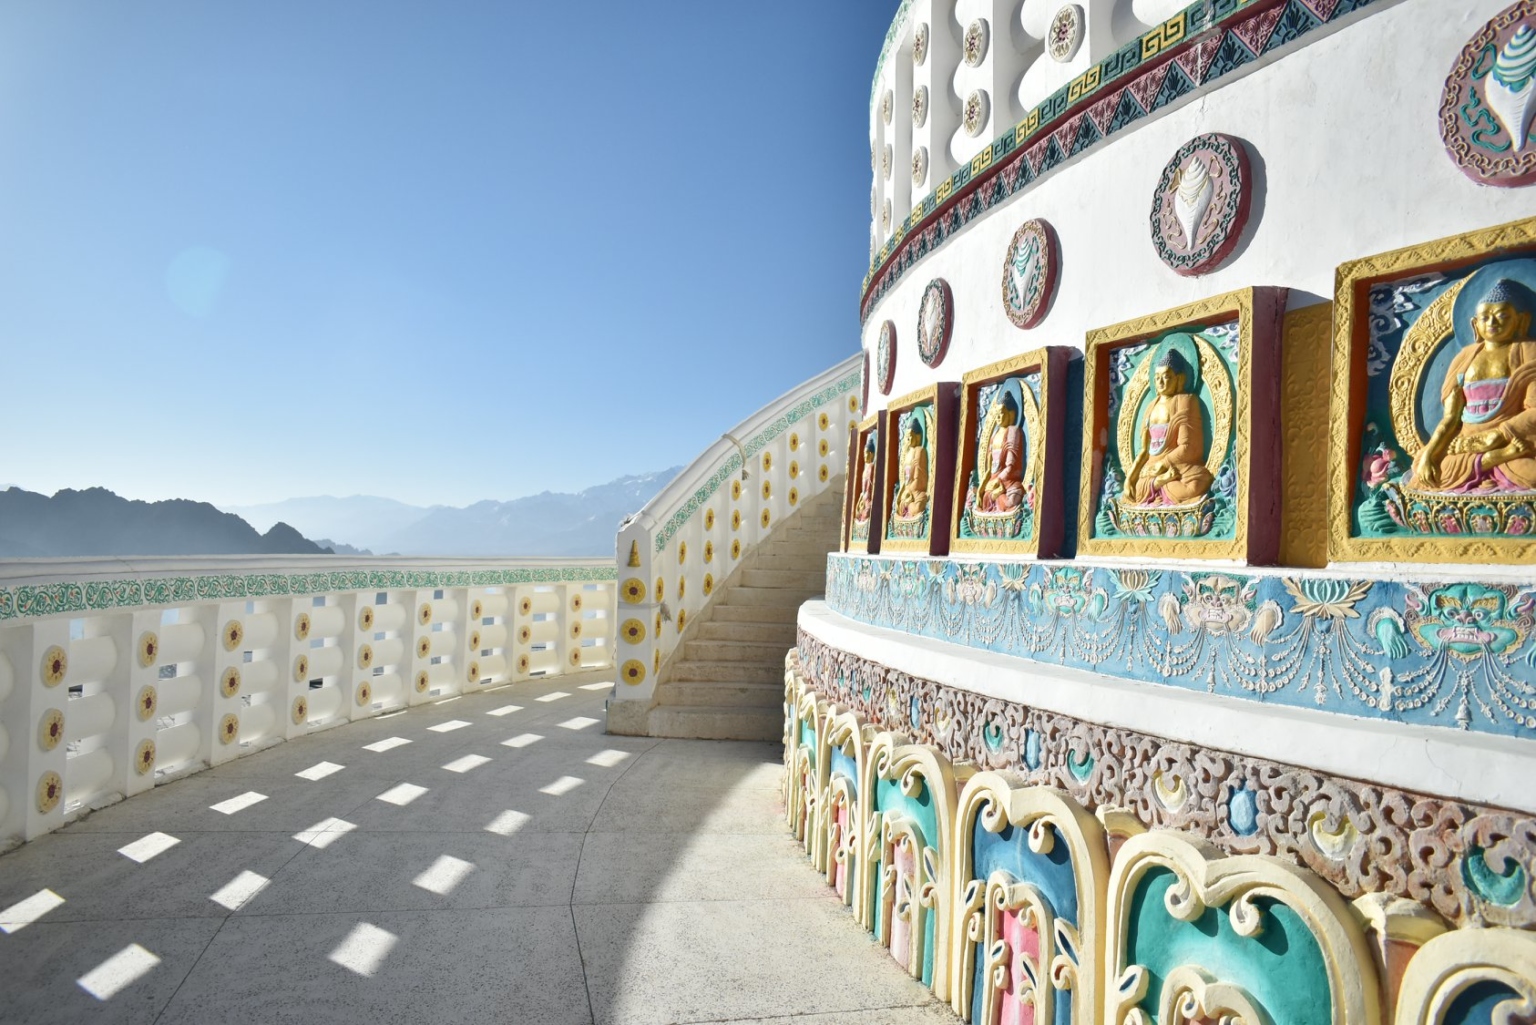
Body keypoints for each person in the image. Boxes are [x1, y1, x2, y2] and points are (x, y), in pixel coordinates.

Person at [1411, 278, 1536, 492]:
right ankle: (1492, 459)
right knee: (1422, 468)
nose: (1492, 322)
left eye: (1502, 315)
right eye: (1485, 317)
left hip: (1512, 440)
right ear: (1474, 324)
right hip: (1468, 443)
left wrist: (1500, 434)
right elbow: (1450, 419)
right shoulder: (1464, 358)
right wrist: (1429, 454)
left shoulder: (1529, 350)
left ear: (1522, 320)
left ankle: (1497, 458)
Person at [1125, 347, 1214, 506]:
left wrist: (1164, 464)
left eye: (1166, 376)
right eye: (1157, 377)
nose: (1160, 382)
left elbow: (1188, 447)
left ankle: (1160, 485)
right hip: (1152, 471)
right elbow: (1144, 451)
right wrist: (1129, 479)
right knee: (1135, 492)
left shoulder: (1186, 400)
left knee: (1196, 485)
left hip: (1180, 468)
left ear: (1180, 379)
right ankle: (1159, 483)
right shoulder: (1150, 407)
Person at [975, 391, 1024, 512]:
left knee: (1013, 499)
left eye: (1001, 413)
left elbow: (1011, 467)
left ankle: (998, 498)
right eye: (996, 414)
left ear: (1011, 414)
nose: (997, 417)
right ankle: (995, 497)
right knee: (983, 498)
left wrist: (998, 481)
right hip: (994, 482)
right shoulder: (994, 435)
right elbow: (989, 469)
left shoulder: (1013, 431)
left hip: (1008, 481)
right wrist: (981, 488)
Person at [893, 417, 930, 518]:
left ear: (918, 437)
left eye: (911, 436)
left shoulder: (920, 451)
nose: (908, 439)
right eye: (907, 436)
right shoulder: (907, 454)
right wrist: (904, 492)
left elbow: (919, 480)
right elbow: (905, 479)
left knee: (918, 508)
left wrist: (909, 491)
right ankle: (907, 508)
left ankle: (909, 508)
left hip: (916, 491)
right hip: (907, 492)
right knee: (898, 508)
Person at [853, 435, 878, 523]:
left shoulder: (872, 467)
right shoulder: (865, 469)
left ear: (871, 454)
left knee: (866, 513)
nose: (864, 455)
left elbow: (871, 488)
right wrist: (860, 500)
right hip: (863, 498)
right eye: (864, 453)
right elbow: (863, 491)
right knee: (857, 514)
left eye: (866, 453)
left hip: (868, 499)